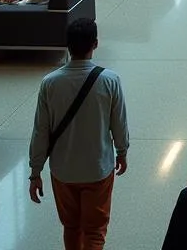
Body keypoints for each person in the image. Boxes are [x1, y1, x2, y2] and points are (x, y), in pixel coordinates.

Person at [28, 18, 129, 250]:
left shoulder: (49, 83)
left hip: (63, 171)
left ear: (68, 46)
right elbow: (119, 123)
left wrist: (35, 172)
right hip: (98, 169)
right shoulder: (110, 81)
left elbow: (40, 131)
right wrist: (122, 152)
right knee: (94, 231)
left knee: (71, 227)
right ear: (95, 43)